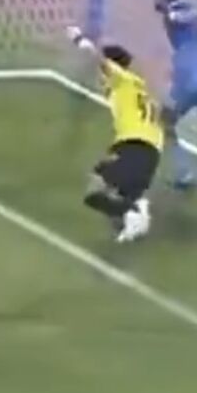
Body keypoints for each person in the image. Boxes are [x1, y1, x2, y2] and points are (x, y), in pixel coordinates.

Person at [67, 27, 163, 242]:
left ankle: (134, 213)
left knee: (95, 190)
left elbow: (98, 60)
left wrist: (79, 39)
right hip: (149, 150)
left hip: (135, 145)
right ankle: (133, 210)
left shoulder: (121, 79)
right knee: (111, 192)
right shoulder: (139, 86)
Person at [153, 0, 197, 186]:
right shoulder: (172, 13)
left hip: (191, 80)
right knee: (166, 120)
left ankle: (184, 173)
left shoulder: (180, 10)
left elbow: (188, 15)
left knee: (165, 120)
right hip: (187, 76)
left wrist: (173, 15)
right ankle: (183, 172)